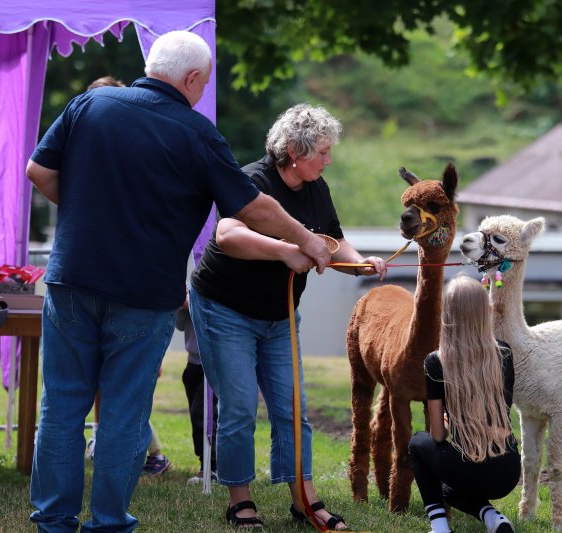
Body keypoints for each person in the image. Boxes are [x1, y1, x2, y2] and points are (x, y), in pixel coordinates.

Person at [26, 31, 331, 532]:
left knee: (60, 408)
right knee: (124, 413)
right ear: (191, 79)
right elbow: (251, 206)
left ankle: (54, 522)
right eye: (202, 85)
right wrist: (309, 240)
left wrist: (92, 212)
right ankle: (107, 523)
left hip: (71, 281)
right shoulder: (196, 132)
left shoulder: (90, 103)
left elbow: (39, 171)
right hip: (142, 294)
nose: (199, 93)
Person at [188, 103, 387, 529]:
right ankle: (239, 501)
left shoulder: (317, 186)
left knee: (292, 408)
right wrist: (286, 251)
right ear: (294, 152)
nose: (329, 159)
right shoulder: (252, 180)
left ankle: (304, 501)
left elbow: (332, 239)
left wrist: (360, 262)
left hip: (280, 317)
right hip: (225, 310)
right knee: (239, 407)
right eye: (323, 151)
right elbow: (227, 235)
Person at [80, 73, 174, 479]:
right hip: (101, 285)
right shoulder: (91, 158)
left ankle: (137, 452)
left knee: (124, 385)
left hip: (129, 289)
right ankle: (127, 452)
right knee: (104, 384)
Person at [408, 274, 520, 533]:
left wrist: (449, 420)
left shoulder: (436, 361)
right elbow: (502, 409)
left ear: (447, 315)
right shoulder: (503, 352)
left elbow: (437, 435)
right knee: (451, 490)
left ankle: (439, 526)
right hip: (508, 470)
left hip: (468, 466)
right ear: (486, 312)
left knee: (417, 443)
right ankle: (494, 518)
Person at [177, 292, 217, 484]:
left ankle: (213, 467)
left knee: (204, 414)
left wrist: (191, 302)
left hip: (212, 363)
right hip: (192, 364)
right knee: (197, 416)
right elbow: (179, 324)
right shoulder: (191, 284)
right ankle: (206, 465)